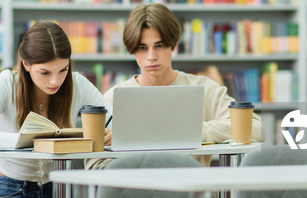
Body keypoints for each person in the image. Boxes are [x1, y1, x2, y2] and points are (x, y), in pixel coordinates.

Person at [85, 3, 262, 169]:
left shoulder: (205, 89)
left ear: (174, 45)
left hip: (191, 195)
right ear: (132, 50)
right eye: (142, 47)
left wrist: (196, 132)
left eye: (159, 45)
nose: (151, 56)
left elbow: (256, 128)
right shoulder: (114, 97)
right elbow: (93, 164)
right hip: (135, 195)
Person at [0, 21, 112, 198]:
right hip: (13, 197)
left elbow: (118, 120)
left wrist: (111, 133)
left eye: (63, 70)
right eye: (45, 73)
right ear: (26, 64)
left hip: (62, 193)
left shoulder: (77, 83)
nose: (55, 81)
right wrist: (26, 140)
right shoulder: (6, 82)